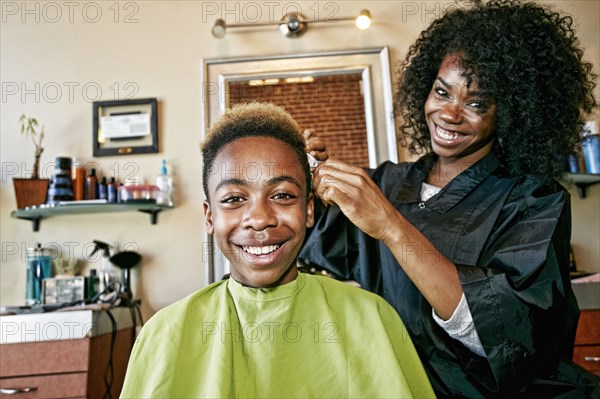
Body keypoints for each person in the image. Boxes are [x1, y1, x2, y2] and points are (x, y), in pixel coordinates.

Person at [300, 0, 599, 397]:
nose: (450, 113)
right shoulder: (387, 183)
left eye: (476, 103)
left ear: (510, 113)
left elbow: (507, 334)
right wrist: (303, 177)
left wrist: (391, 226)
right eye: (442, 91)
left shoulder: (534, 201)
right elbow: (310, 240)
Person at [120, 103, 435, 398]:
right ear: (209, 216)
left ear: (308, 210)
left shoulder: (372, 318)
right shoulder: (163, 334)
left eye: (283, 195)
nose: (259, 219)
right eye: (233, 199)